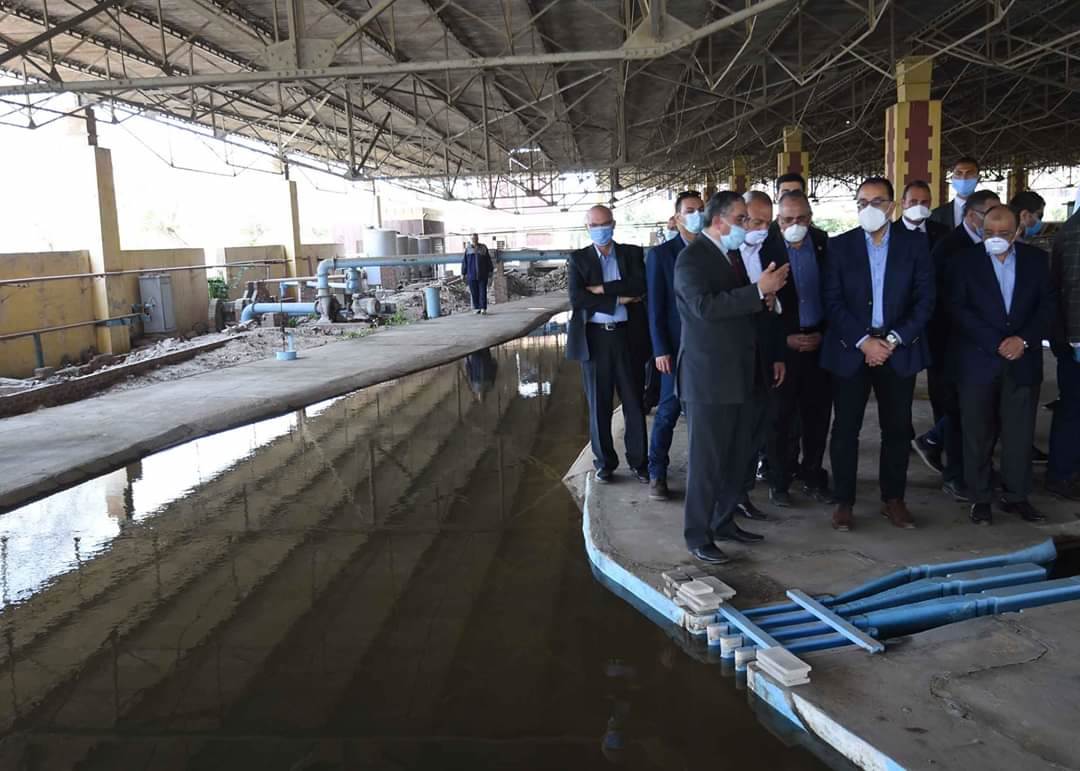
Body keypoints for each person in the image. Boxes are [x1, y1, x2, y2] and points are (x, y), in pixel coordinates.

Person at [674, 191, 789, 564]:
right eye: (741, 219)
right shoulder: (692, 258)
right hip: (709, 379)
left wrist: (763, 300)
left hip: (742, 373)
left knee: (738, 457)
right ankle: (698, 534)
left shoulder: (731, 255)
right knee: (707, 463)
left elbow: (739, 305)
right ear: (719, 220)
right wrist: (757, 290)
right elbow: (704, 307)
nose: (746, 226)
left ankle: (723, 521)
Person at [822, 177, 934, 531]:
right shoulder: (839, 246)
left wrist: (894, 340)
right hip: (851, 350)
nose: (868, 209)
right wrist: (863, 341)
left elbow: (925, 299)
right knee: (845, 429)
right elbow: (832, 301)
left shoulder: (915, 246)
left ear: (892, 206)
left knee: (897, 429)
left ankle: (893, 499)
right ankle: (843, 501)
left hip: (898, 350)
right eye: (862, 203)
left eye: (876, 202)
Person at [947, 206, 1053, 525]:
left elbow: (1048, 306)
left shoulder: (1037, 261)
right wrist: (996, 342)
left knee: (1019, 433)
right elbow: (957, 309)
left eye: (1003, 234)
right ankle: (980, 498)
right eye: (988, 233)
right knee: (977, 433)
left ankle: (1016, 496)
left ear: (1018, 231)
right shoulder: (963, 262)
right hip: (978, 361)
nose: (995, 239)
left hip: (1023, 359)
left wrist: (1024, 340)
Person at [914, 190, 1001, 498]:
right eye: (990, 214)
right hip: (952, 344)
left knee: (982, 412)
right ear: (972, 216)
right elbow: (942, 301)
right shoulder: (950, 247)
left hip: (984, 345)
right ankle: (955, 475)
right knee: (954, 412)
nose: (996, 221)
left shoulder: (992, 245)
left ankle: (978, 469)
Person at [566, 205, 649, 483]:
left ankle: (639, 462)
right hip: (595, 340)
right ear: (587, 228)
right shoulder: (578, 259)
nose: (601, 229)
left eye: (605, 224)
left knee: (634, 402)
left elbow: (639, 286)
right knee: (599, 405)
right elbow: (578, 298)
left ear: (613, 224)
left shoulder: (631, 253)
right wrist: (620, 299)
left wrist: (602, 290)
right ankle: (605, 463)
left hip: (628, 337)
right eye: (595, 225)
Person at [760, 190, 833, 507]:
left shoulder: (824, 244)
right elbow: (761, 307)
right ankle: (779, 480)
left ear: (810, 218)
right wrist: (783, 340)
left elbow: (835, 293)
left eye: (801, 218)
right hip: (784, 349)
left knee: (818, 417)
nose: (795, 224)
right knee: (780, 418)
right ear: (778, 220)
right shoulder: (765, 249)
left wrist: (824, 335)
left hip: (818, 343)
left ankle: (813, 474)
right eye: (788, 219)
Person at [645, 191, 704, 500]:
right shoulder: (661, 255)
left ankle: (702, 474)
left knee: (702, 415)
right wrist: (660, 350)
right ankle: (657, 472)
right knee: (668, 410)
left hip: (708, 348)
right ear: (677, 217)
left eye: (701, 209)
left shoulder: (713, 249)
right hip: (675, 348)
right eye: (690, 210)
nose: (697, 215)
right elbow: (655, 308)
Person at [1048, 206, 1080, 499]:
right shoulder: (1076, 232)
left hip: (1069, 337)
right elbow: (1073, 290)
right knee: (1072, 408)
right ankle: (1062, 474)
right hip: (1075, 339)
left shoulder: (1070, 228)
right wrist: (1076, 340)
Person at [930, 157, 980, 230]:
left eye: (969, 173)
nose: (963, 178)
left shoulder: (987, 212)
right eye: (958, 173)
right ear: (952, 178)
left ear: (978, 179)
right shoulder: (936, 215)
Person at [462, 234, 493, 314]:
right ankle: (477, 307)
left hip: (482, 274)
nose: (474, 239)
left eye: (475, 238)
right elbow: (465, 262)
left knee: (482, 291)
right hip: (471, 275)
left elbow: (488, 260)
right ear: (471, 239)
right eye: (473, 238)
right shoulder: (468, 249)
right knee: (474, 292)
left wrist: (490, 270)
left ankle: (483, 308)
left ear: (478, 238)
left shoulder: (483, 248)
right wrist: (463, 273)